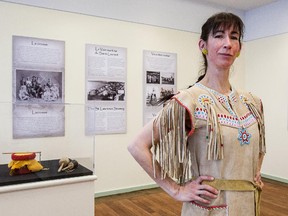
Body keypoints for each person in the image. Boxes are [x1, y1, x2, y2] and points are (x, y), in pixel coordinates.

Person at [128, 12, 266, 216]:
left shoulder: (251, 102)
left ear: (239, 48)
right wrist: (176, 190)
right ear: (203, 45)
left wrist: (254, 173)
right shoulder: (189, 100)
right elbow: (137, 146)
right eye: (219, 36)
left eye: (234, 37)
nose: (227, 43)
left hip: (247, 205)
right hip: (210, 207)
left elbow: (258, 148)